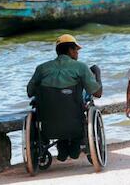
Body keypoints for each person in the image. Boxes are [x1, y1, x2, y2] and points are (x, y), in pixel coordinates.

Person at [27, 34, 103, 162]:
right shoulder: (81, 67)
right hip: (74, 119)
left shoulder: (41, 68)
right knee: (84, 99)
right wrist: (97, 73)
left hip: (48, 123)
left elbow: (30, 92)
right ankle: (74, 144)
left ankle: (62, 144)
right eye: (76, 50)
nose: (77, 54)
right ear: (70, 50)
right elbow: (98, 93)